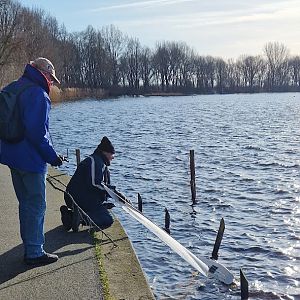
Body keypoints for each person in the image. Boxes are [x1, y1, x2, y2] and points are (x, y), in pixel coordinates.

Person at [0, 58, 64, 265]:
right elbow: (37, 133)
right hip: (30, 160)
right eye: (51, 78)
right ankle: (34, 252)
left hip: (11, 156)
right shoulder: (38, 94)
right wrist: (52, 157)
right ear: (43, 73)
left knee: (25, 203)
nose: (52, 83)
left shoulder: (14, 87)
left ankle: (30, 245)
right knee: (36, 205)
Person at [60, 136, 116, 232]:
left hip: (77, 197)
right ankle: (80, 217)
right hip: (79, 198)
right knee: (107, 220)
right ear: (105, 152)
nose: (112, 158)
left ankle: (69, 216)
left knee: (101, 211)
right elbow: (94, 184)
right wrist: (113, 192)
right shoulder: (96, 162)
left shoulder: (94, 160)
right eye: (112, 154)